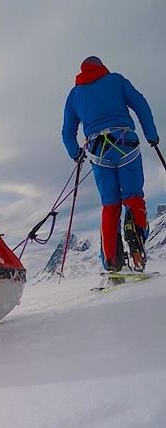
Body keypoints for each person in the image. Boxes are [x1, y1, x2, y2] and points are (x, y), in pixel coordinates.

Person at [61, 56, 159, 272]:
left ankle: (112, 260)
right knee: (133, 196)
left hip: (98, 151)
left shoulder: (74, 95)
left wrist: (75, 153)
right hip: (126, 143)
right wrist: (151, 135)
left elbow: (67, 132)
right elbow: (140, 103)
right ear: (102, 67)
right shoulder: (116, 80)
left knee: (110, 203)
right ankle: (136, 241)